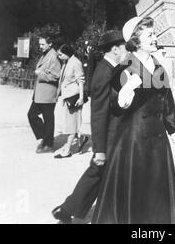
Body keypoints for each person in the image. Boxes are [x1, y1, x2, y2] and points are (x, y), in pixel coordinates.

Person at [91, 16, 175, 224]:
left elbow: (167, 103)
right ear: (136, 40)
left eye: (154, 34)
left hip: (158, 142)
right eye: (149, 35)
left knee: (156, 196)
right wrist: (124, 95)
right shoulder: (124, 68)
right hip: (134, 142)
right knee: (136, 194)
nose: (155, 38)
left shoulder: (159, 67)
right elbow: (114, 107)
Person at [52, 31, 127, 223]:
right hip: (108, 136)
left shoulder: (112, 69)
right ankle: (67, 209)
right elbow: (98, 113)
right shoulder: (104, 72)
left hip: (114, 134)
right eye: (125, 47)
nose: (128, 51)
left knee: (98, 174)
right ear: (116, 49)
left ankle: (68, 209)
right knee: (96, 171)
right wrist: (99, 149)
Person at [28, 36, 61, 154]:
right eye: (40, 44)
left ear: (50, 44)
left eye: (42, 44)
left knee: (48, 119)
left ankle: (49, 145)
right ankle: (46, 139)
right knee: (32, 115)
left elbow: (56, 76)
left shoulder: (54, 56)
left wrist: (40, 74)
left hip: (48, 94)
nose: (40, 46)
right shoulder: (46, 54)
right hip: (41, 93)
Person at [54, 44, 86, 158]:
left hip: (74, 97)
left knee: (71, 124)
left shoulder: (76, 63)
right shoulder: (66, 62)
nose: (59, 56)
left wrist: (81, 98)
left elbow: (81, 81)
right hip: (67, 97)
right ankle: (81, 138)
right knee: (70, 123)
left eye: (61, 54)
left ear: (67, 53)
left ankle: (67, 150)